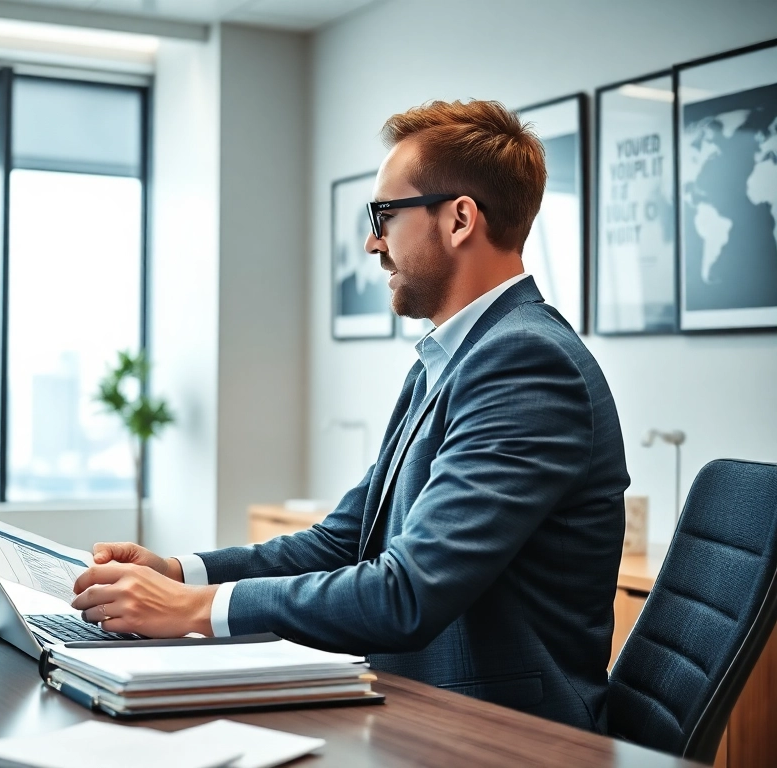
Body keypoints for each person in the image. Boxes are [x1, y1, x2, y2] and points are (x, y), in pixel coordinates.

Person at [70, 99, 630, 733]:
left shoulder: (525, 364)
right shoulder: (446, 362)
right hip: (419, 712)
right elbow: (344, 541)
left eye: (384, 215)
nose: (372, 241)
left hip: (503, 735)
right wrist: (178, 572)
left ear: (459, 219)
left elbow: (406, 593)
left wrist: (195, 607)